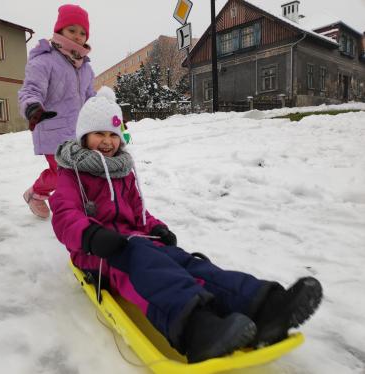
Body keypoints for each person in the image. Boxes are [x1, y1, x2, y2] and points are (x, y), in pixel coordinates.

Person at [49, 87, 323, 363]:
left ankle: (264, 307)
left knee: (187, 263)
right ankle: (197, 329)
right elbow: (63, 215)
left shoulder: (123, 171)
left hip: (137, 239)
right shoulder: (72, 173)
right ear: (84, 136)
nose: (107, 142)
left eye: (113, 135)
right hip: (98, 252)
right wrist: (92, 235)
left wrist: (156, 227)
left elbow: (139, 213)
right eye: (99, 134)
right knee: (145, 263)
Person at [18, 4, 96, 219]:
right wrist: (33, 107)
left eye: (83, 33)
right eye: (72, 30)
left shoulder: (86, 68)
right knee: (63, 174)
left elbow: (91, 98)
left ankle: (44, 194)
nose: (78, 37)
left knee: (77, 171)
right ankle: (39, 194)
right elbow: (31, 89)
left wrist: (106, 114)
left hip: (79, 132)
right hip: (52, 128)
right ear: (59, 30)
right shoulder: (45, 59)